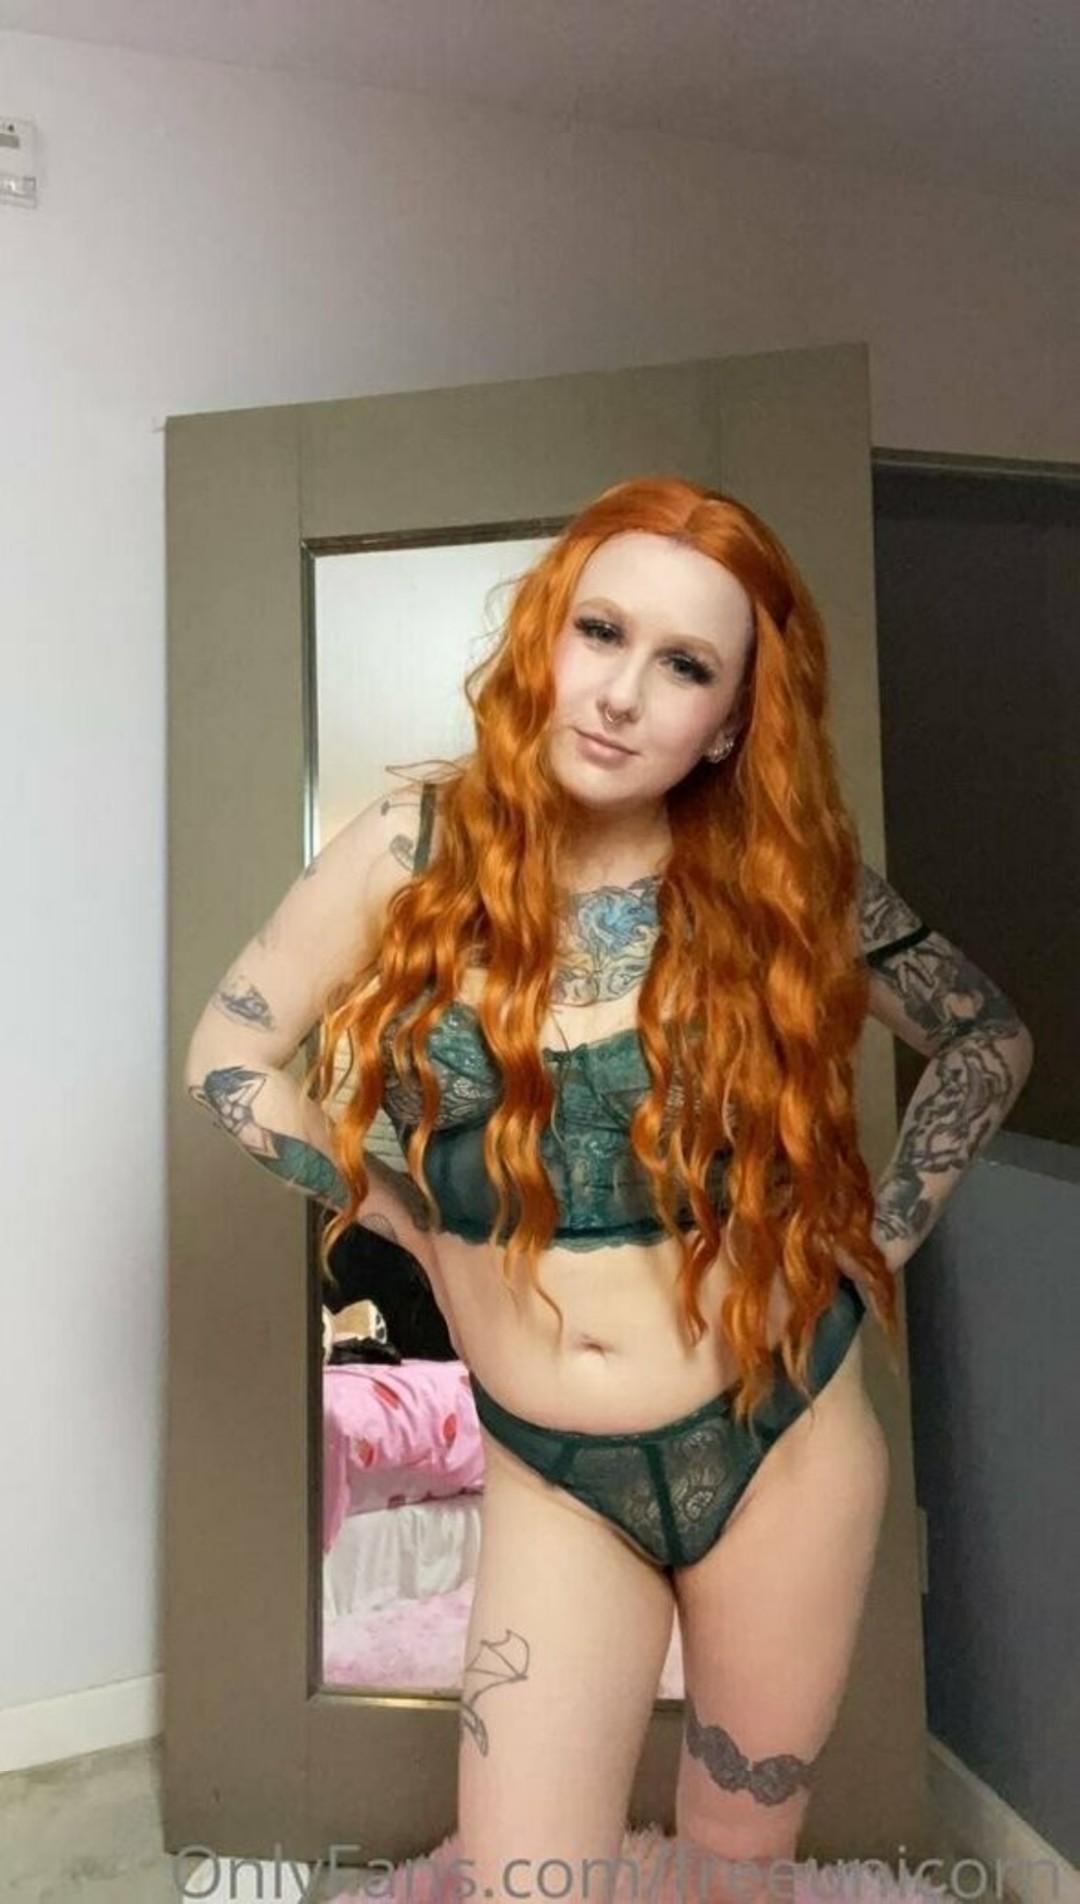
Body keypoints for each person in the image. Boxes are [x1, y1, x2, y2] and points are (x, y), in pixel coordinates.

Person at [184, 475, 1034, 1904]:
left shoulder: (787, 882)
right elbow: (228, 1057)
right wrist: (403, 1216)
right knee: (526, 1879)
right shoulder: (408, 852)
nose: (625, 693)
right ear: (548, 634)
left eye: (686, 665)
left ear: (734, 718)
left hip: (783, 1445)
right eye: (602, 631)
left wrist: (879, 1240)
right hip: (552, 1473)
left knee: (736, 1861)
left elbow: (985, 1039)